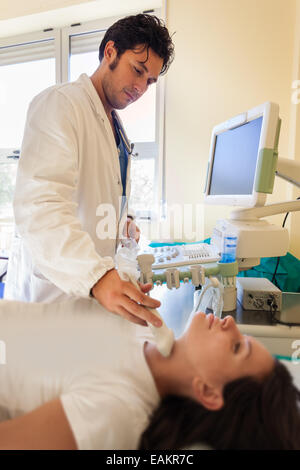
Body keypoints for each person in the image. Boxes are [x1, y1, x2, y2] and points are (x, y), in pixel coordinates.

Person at [4, 14, 174, 328]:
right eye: (137, 70)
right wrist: (98, 277)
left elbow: (100, 191)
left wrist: (126, 222)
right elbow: (40, 206)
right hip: (48, 300)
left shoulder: (115, 128)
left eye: (149, 81)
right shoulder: (61, 105)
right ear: (110, 52)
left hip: (85, 300)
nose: (140, 87)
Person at [0, 299, 299, 450]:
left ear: (207, 391)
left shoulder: (114, 410)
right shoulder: (150, 332)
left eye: (236, 347)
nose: (230, 322)